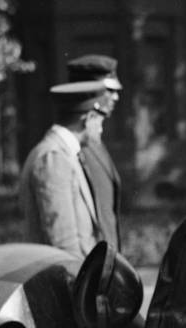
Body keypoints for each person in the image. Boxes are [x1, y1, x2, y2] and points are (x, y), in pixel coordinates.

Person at [19, 80, 106, 258]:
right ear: (88, 118)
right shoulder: (54, 158)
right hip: (65, 278)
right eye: (100, 121)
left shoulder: (64, 154)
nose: (101, 129)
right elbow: (63, 241)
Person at [66, 54, 122, 253]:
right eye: (110, 90)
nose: (116, 96)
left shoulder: (95, 140)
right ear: (89, 91)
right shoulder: (75, 146)